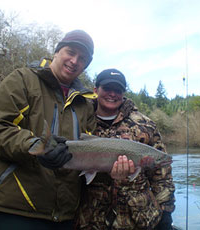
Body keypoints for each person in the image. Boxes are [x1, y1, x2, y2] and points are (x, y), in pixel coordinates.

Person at [0, 30, 99, 230]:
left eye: (82, 59)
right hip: (17, 209)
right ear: (56, 52)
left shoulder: (87, 104)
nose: (74, 61)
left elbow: (90, 153)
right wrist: (37, 148)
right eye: (70, 52)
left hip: (65, 215)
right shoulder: (22, 80)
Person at [75, 69, 175, 230]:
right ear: (96, 91)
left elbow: (162, 176)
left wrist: (165, 212)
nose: (112, 94)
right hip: (90, 218)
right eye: (107, 88)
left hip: (138, 218)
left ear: (123, 93)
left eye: (118, 90)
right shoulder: (79, 119)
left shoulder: (145, 124)